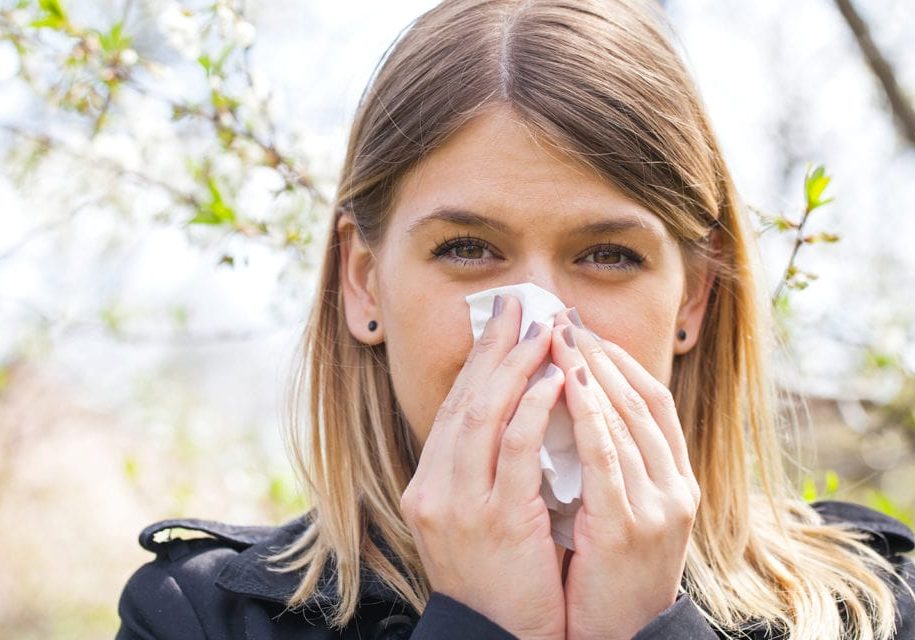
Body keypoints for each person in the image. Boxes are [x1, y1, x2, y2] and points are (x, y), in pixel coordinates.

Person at [115, 0, 915, 638]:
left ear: (693, 298)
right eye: (467, 247)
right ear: (364, 284)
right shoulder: (200, 617)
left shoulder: (874, 608)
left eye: (606, 254)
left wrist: (647, 629)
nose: (538, 328)